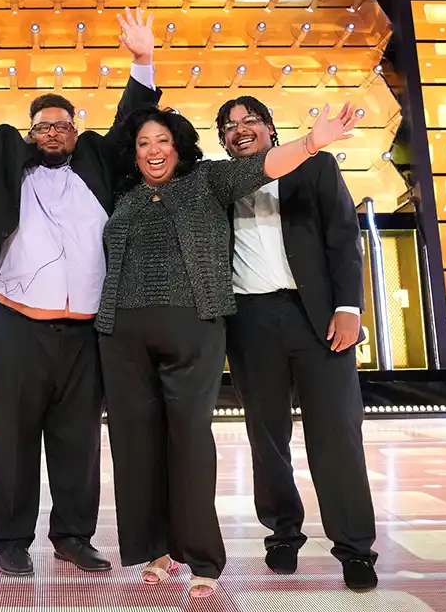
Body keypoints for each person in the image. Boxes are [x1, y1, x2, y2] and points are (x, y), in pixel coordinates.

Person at [97, 102, 357, 599]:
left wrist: (312, 142)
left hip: (200, 327)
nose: (153, 151)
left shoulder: (209, 181)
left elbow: (266, 168)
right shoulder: (123, 192)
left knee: (194, 442)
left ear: (180, 147)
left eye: (163, 141)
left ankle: (205, 557)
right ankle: (155, 549)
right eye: (143, 143)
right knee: (136, 446)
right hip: (123, 333)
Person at [0, 9, 160, 577]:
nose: (52, 133)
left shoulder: (95, 158)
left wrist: (142, 60)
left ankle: (73, 536)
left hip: (87, 331)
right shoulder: (4, 157)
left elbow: (129, 124)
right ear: (29, 134)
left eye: (61, 126)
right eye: (42, 126)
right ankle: (11, 540)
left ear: (74, 130)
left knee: (77, 441)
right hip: (18, 325)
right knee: (13, 439)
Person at [217, 96, 378, 592]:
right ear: (222, 140)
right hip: (250, 321)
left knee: (337, 436)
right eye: (229, 126)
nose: (240, 130)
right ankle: (283, 535)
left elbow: (343, 237)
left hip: (318, 319)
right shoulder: (219, 185)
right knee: (267, 439)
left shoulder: (316, 165)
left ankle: (354, 549)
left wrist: (350, 307)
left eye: (249, 121)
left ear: (269, 127)